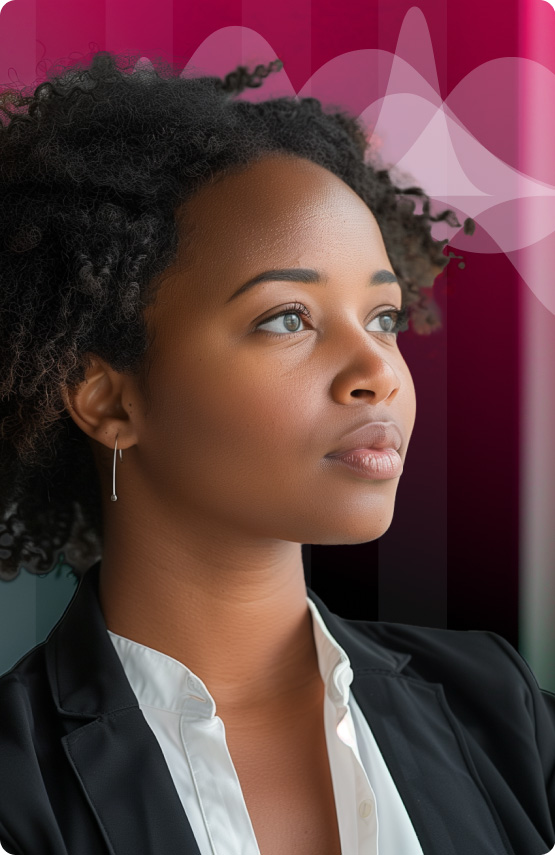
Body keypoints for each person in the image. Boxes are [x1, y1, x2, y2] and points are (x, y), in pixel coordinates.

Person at [0, 51, 553, 855]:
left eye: (383, 318)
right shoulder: (17, 783)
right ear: (108, 398)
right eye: (287, 318)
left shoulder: (499, 709)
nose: (377, 374)